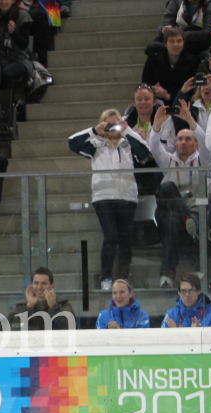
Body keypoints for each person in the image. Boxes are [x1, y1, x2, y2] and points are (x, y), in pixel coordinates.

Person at [69, 110, 151, 291]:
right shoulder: (94, 144)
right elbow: (72, 143)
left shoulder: (129, 142)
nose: (113, 128)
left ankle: (122, 279)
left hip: (127, 196)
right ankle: (106, 277)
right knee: (111, 236)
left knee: (125, 240)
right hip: (103, 197)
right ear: (102, 125)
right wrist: (93, 131)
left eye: (116, 123)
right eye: (108, 124)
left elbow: (145, 154)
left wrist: (127, 130)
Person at [149, 103, 210, 288]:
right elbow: (153, 146)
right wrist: (157, 125)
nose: (183, 142)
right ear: (175, 143)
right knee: (167, 187)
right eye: (180, 139)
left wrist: (190, 120)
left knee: (172, 223)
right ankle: (187, 216)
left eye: (188, 139)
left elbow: (206, 141)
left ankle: (166, 276)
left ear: (195, 144)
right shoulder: (168, 160)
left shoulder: (203, 159)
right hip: (184, 216)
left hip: (190, 218)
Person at [142, 26, 200, 106]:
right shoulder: (153, 61)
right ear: (165, 44)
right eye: (171, 41)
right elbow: (145, 84)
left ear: (183, 43)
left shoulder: (193, 62)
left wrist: (168, 96)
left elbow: (193, 90)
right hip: (157, 104)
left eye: (179, 41)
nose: (175, 44)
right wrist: (154, 89)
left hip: (184, 104)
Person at [7, 267, 75, 330]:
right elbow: (12, 326)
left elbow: (70, 326)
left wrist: (53, 306)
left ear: (51, 285)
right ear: (32, 285)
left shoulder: (62, 304)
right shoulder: (22, 305)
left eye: (44, 283)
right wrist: (29, 307)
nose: (39, 287)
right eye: (36, 283)